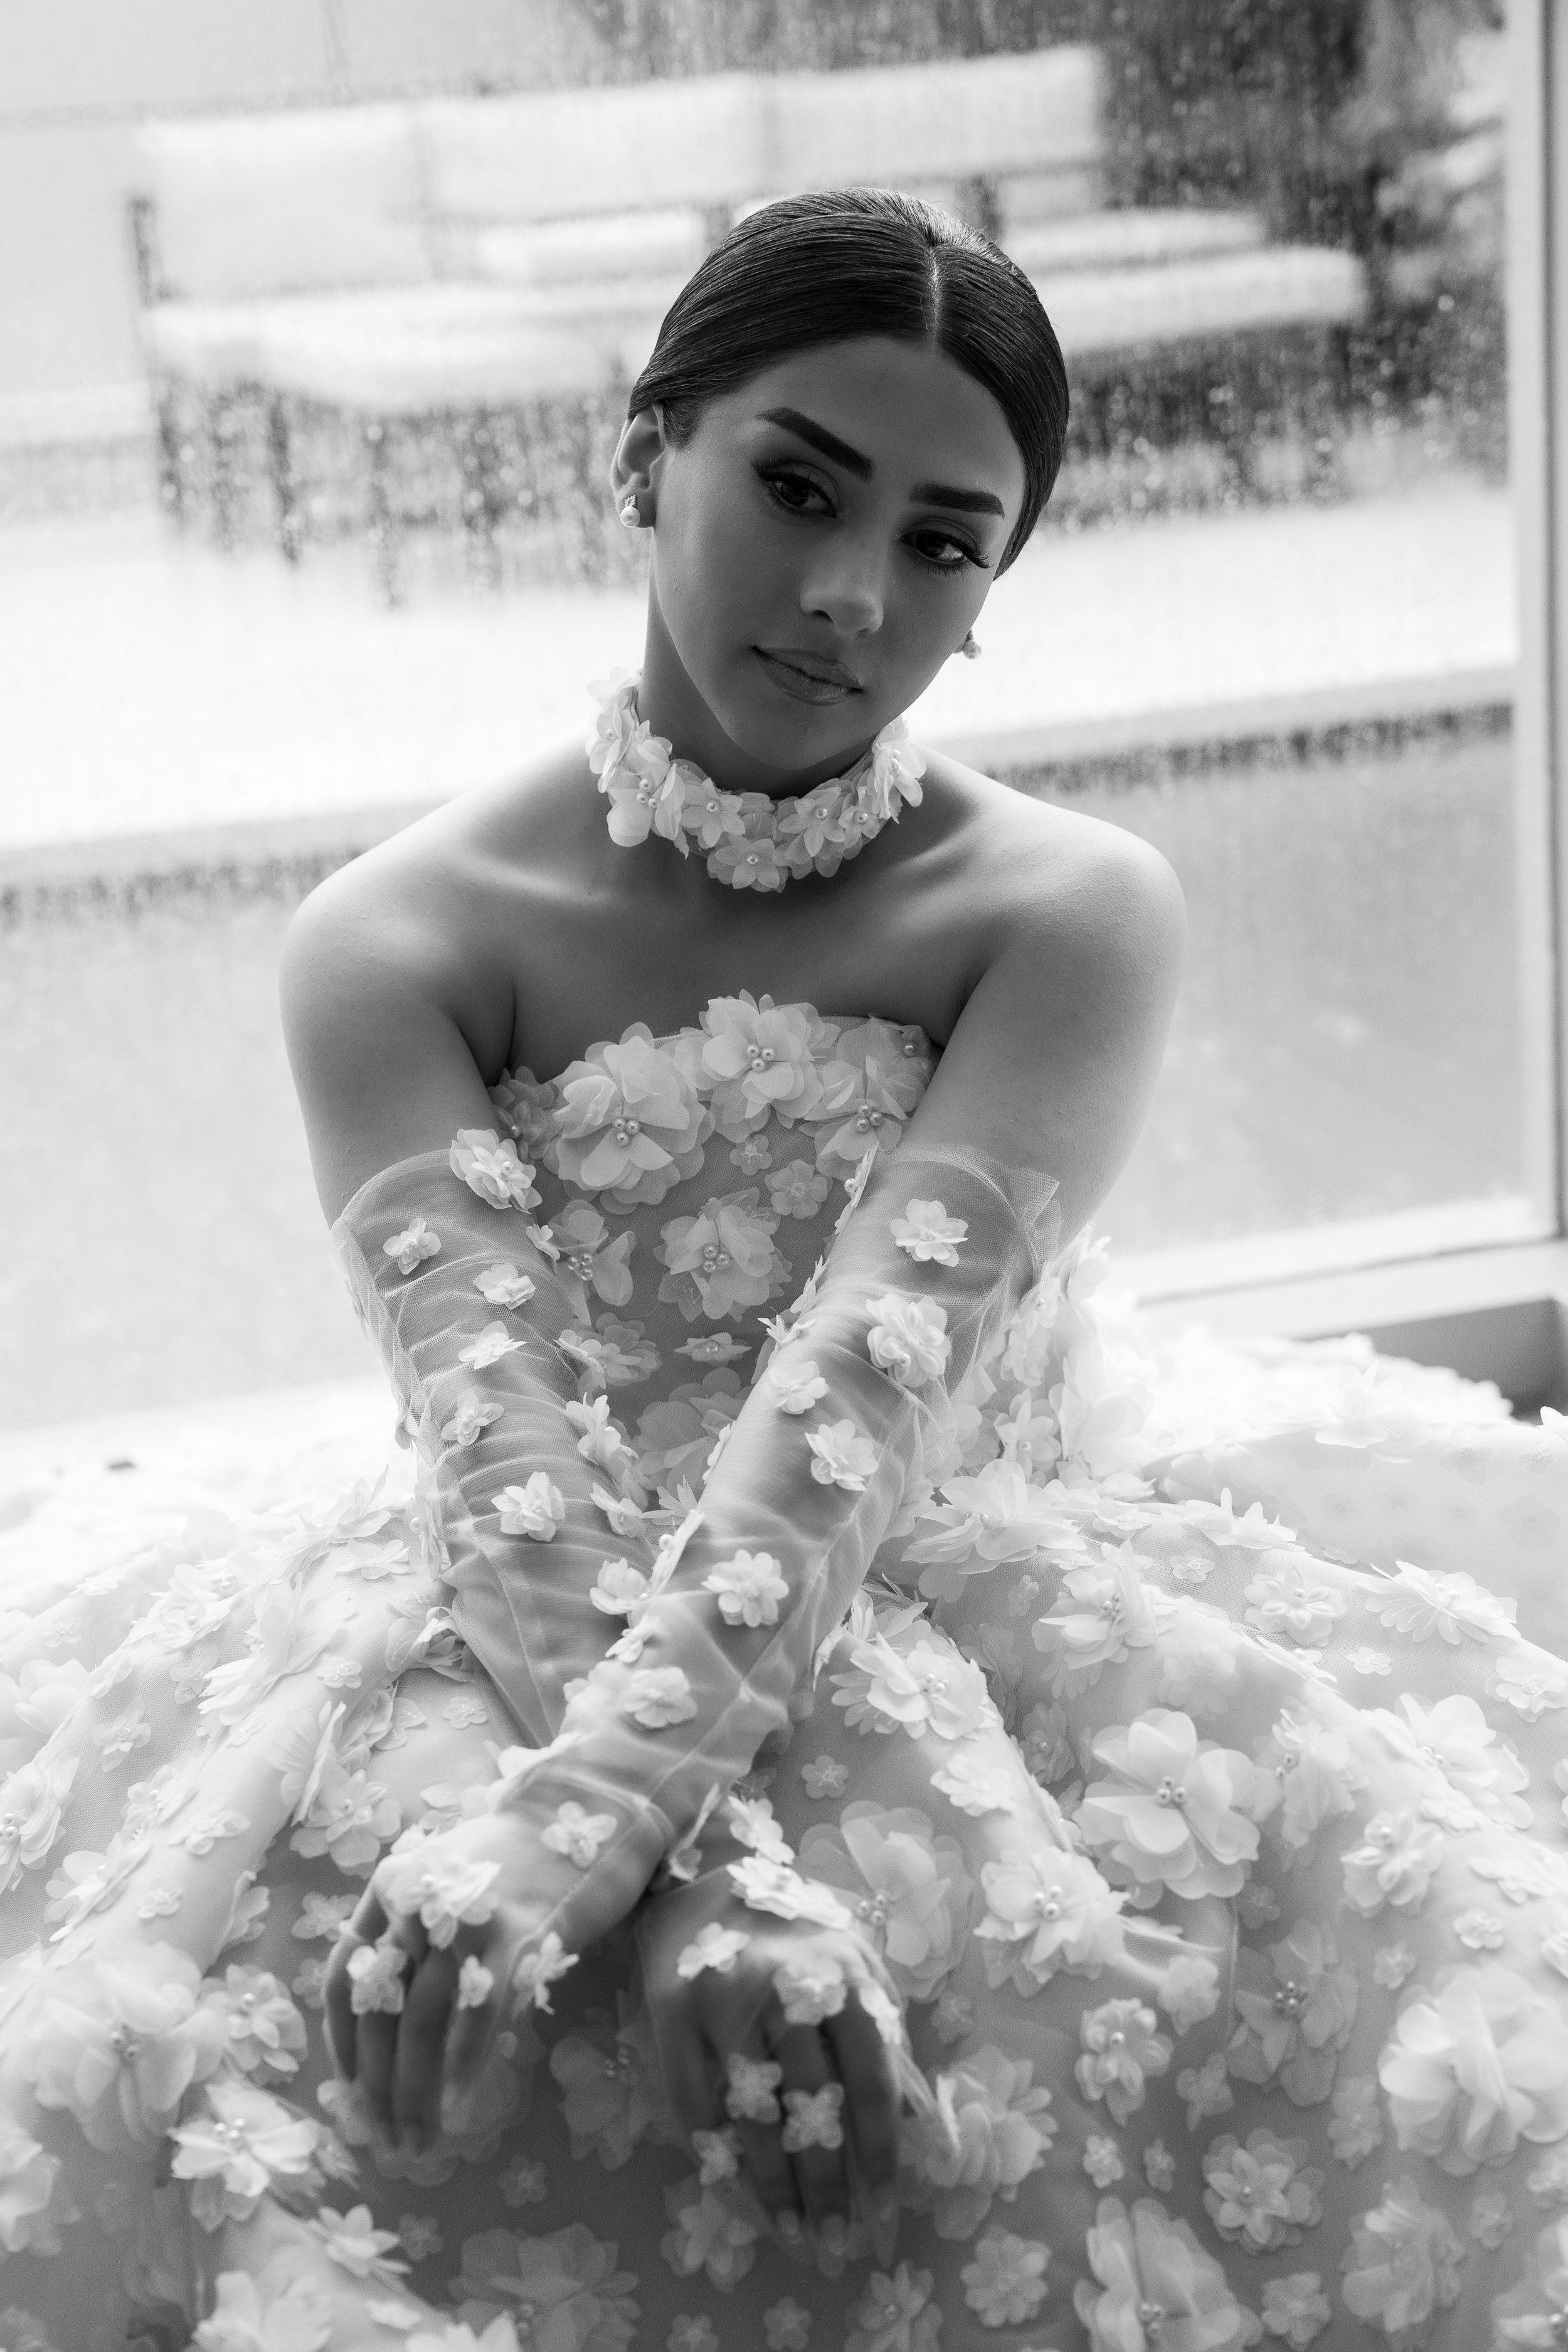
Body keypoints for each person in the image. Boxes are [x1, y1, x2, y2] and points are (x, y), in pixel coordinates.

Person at [1, 188, 1566, 2352]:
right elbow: (506, 1444)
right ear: (646, 460)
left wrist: (601, 1830)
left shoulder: (1070, 906)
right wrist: (695, 1888)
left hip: (939, 1543)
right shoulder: (391, 933)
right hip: (517, 1592)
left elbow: (867, 1384)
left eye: (940, 543)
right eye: (795, 486)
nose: (847, 596)